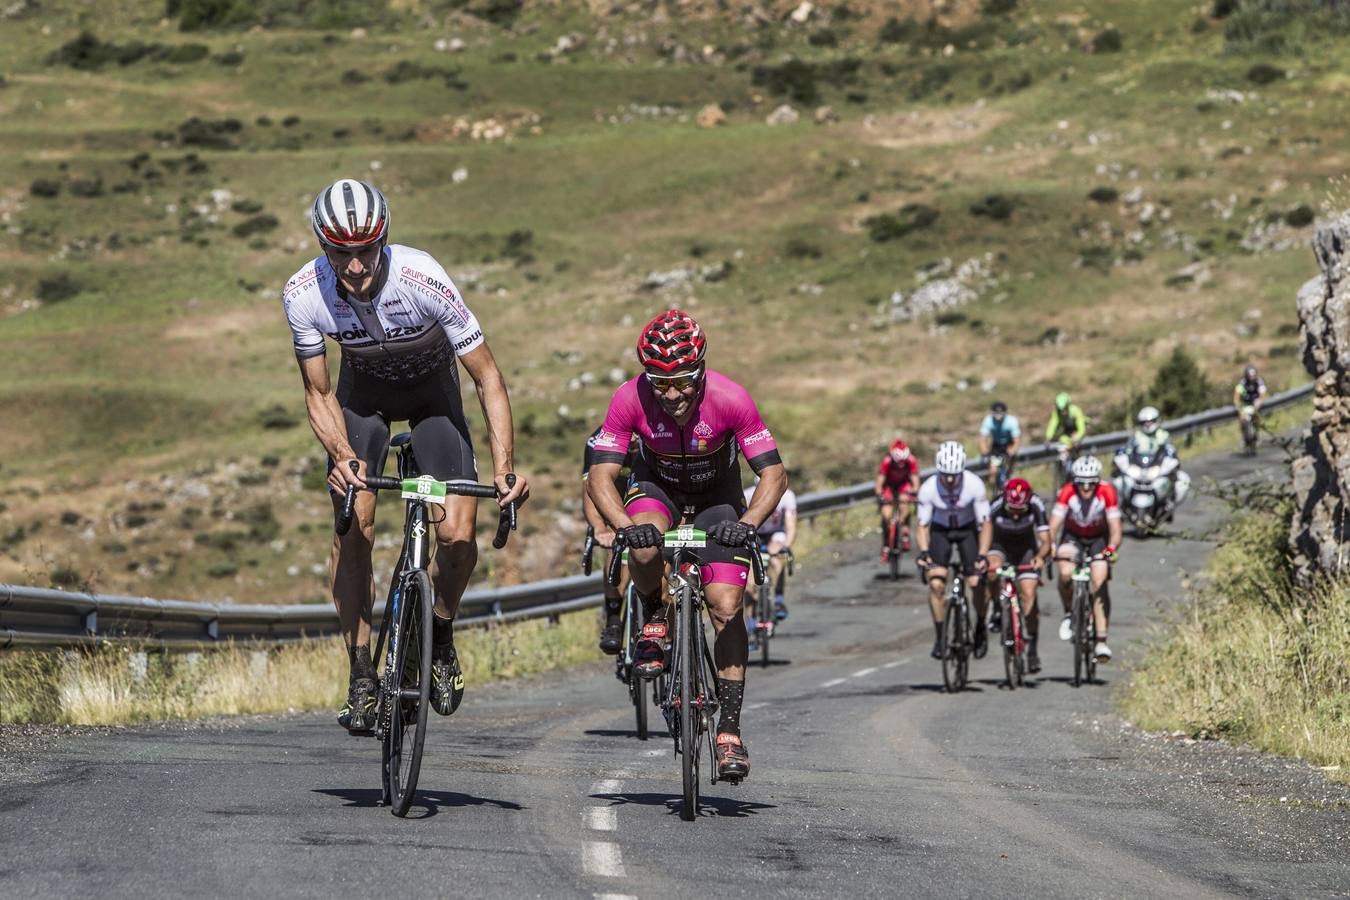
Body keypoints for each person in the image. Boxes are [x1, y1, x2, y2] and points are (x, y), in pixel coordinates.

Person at [283, 178, 529, 733]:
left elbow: (488, 376)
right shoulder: (303, 294)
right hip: (362, 401)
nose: (354, 264)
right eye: (340, 251)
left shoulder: (423, 278)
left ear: (384, 237)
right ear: (324, 247)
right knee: (354, 527)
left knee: (459, 538)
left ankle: (439, 633)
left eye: (365, 248)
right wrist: (342, 455)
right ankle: (360, 671)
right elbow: (319, 393)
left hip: (432, 398)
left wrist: (504, 468)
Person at [586, 309, 787, 782]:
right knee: (644, 544)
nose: (672, 395)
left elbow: (774, 474)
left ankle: (730, 732)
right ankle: (656, 615)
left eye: (682, 382)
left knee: (726, 605)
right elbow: (600, 474)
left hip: (718, 500)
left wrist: (751, 522)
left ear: (700, 371)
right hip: (657, 489)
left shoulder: (731, 398)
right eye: (660, 383)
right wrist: (620, 525)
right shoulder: (628, 398)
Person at [915, 442, 992, 661]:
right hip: (941, 531)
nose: (949, 480)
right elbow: (922, 525)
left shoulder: (974, 485)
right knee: (937, 584)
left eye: (954, 475)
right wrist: (923, 551)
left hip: (968, 530)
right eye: (945, 475)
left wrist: (983, 554)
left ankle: (980, 628)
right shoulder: (929, 488)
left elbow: (985, 523)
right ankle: (940, 638)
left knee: (977, 582)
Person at [1047, 456, 1121, 662]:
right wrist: (1050, 546)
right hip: (1073, 536)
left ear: (1097, 481)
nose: (1086, 488)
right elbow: (1053, 525)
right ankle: (1069, 613)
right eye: (1081, 482)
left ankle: (1101, 640)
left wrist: (1111, 548)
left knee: (1099, 582)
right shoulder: (1067, 491)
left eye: (1090, 483)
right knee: (1065, 573)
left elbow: (1115, 529)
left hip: (1098, 538)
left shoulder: (1107, 492)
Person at [979, 477, 1051, 673]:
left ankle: (1033, 650)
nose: (1016, 516)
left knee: (1029, 593)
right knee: (992, 571)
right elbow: (985, 533)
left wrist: (1040, 557)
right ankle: (996, 607)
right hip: (1000, 546)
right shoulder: (996, 505)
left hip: (1026, 549)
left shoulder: (1036, 504)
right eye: (1012, 510)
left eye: (1021, 511)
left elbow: (1045, 540)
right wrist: (983, 558)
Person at [582, 428, 639, 655]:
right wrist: (600, 528)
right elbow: (590, 489)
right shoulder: (599, 440)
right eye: (630, 433)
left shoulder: (660, 430)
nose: (634, 438)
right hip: (614, 498)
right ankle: (614, 618)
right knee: (617, 544)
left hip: (653, 493)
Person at [1112, 406, 1191, 521]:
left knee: (1181, 479)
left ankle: (1169, 504)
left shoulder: (1163, 435)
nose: (1148, 424)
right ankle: (1122, 506)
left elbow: (1170, 451)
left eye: (1151, 421)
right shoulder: (1136, 436)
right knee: (1118, 480)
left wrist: (1171, 461)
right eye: (1145, 422)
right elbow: (1128, 450)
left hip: (1157, 466)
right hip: (1140, 466)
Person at [744, 475, 798, 632]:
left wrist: (786, 545)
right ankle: (751, 622)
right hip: (755, 534)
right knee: (749, 584)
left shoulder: (787, 496)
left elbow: (791, 524)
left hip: (775, 533)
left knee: (777, 557)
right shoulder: (748, 495)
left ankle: (779, 599)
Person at [874, 439, 921, 562]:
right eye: (898, 463)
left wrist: (915, 492)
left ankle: (905, 532)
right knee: (886, 515)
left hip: (903, 485)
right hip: (889, 486)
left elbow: (915, 479)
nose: (900, 465)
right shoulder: (887, 461)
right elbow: (880, 481)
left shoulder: (911, 460)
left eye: (902, 463)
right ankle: (885, 545)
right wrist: (880, 495)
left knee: (904, 503)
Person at [1046, 392, 1088, 484]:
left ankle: (1078, 475)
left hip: (1077, 435)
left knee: (1076, 457)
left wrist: (1077, 437)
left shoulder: (1076, 411)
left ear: (1068, 406)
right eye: (1060, 410)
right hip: (1066, 437)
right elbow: (1053, 424)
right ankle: (1063, 476)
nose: (1063, 412)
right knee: (1062, 451)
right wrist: (1048, 437)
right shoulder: (1057, 413)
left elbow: (1082, 428)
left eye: (1064, 409)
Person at [978, 401, 1022, 488]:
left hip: (1009, 443)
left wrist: (1012, 451)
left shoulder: (1011, 421)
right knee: (993, 469)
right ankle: (993, 488)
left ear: (1005, 413)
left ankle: (1010, 476)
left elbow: (1017, 441)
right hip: (997, 445)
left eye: (1000, 413)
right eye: (996, 413)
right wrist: (984, 450)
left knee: (1010, 462)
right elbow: (982, 439)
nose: (998, 416)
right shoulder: (988, 421)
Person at [1235, 365, 1267, 438]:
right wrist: (1239, 409)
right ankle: (1244, 436)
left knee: (1256, 416)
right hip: (1245, 404)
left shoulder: (1259, 381)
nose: (1252, 377)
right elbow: (1236, 396)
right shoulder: (1242, 383)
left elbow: (1262, 394)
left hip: (1255, 403)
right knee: (1242, 419)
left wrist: (1259, 401)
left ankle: (1257, 432)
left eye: (1253, 375)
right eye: (1250, 376)